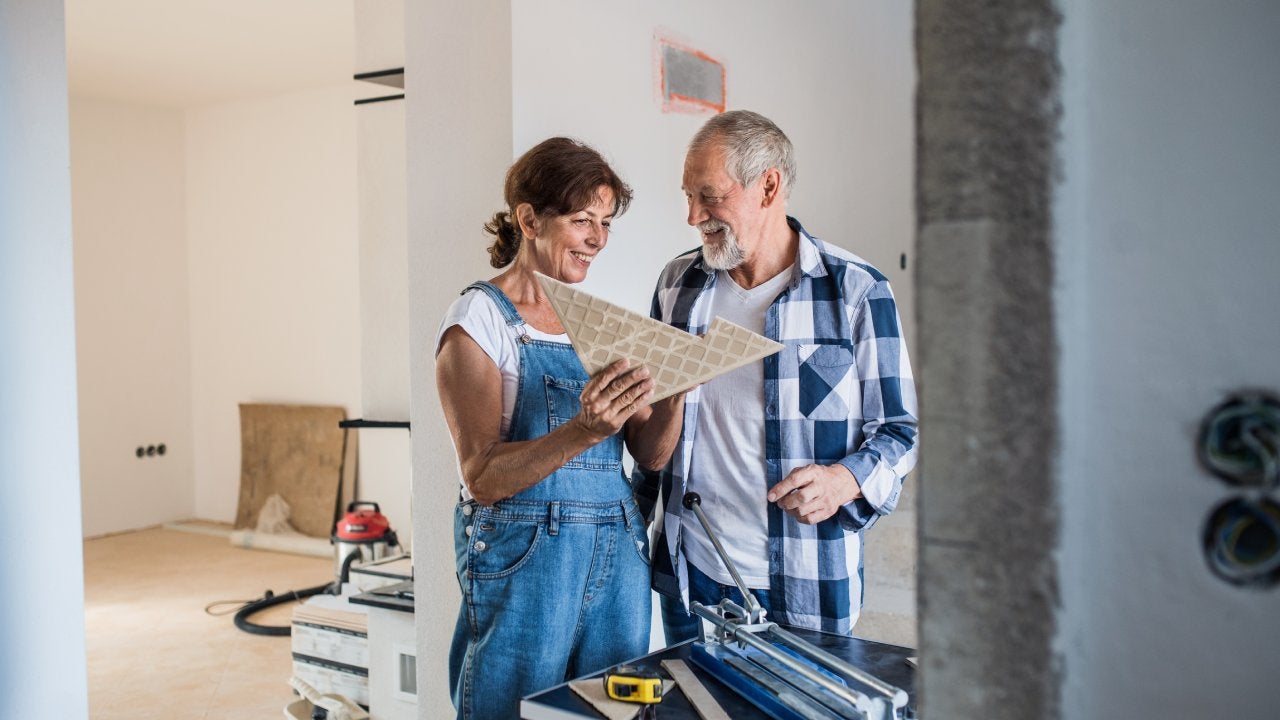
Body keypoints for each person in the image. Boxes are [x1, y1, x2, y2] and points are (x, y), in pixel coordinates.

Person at [634, 110, 919, 642]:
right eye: (687, 196)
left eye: (709, 195)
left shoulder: (856, 291)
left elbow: (901, 431)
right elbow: (654, 420)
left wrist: (845, 480)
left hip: (805, 584)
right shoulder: (677, 284)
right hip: (689, 578)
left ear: (768, 186)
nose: (693, 215)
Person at [435, 137, 685, 720]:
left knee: (613, 713)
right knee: (511, 711)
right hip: (526, 560)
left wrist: (678, 393)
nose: (597, 238)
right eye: (581, 220)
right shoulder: (477, 321)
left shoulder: (600, 321)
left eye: (604, 222)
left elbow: (649, 455)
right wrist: (583, 431)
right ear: (529, 219)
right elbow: (483, 478)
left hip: (618, 558)